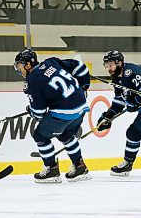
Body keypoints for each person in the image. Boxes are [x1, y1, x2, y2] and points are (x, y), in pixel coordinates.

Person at [14, 48, 91, 183]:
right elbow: (81, 67)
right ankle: (80, 167)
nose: (18, 70)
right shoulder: (51, 62)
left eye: (19, 66)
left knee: (40, 136)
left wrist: (31, 110)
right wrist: (83, 87)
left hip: (65, 111)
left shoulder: (32, 81)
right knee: (65, 134)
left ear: (28, 64)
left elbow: (39, 113)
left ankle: (51, 169)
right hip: (81, 106)